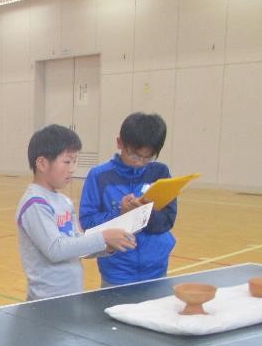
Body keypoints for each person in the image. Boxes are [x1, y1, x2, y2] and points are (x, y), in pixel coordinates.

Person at [16, 124, 136, 300]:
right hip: (46, 300)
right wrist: (103, 237)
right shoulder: (34, 203)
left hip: (71, 295)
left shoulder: (64, 201)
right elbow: (55, 249)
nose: (72, 168)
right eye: (67, 162)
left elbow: (77, 243)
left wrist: (106, 246)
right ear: (42, 163)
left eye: (74, 161)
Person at [80, 112, 176, 285]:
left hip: (156, 268)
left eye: (148, 157)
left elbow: (168, 219)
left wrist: (145, 212)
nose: (139, 162)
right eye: (134, 155)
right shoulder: (99, 176)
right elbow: (88, 223)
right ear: (119, 143)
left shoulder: (160, 172)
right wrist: (120, 213)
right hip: (117, 272)